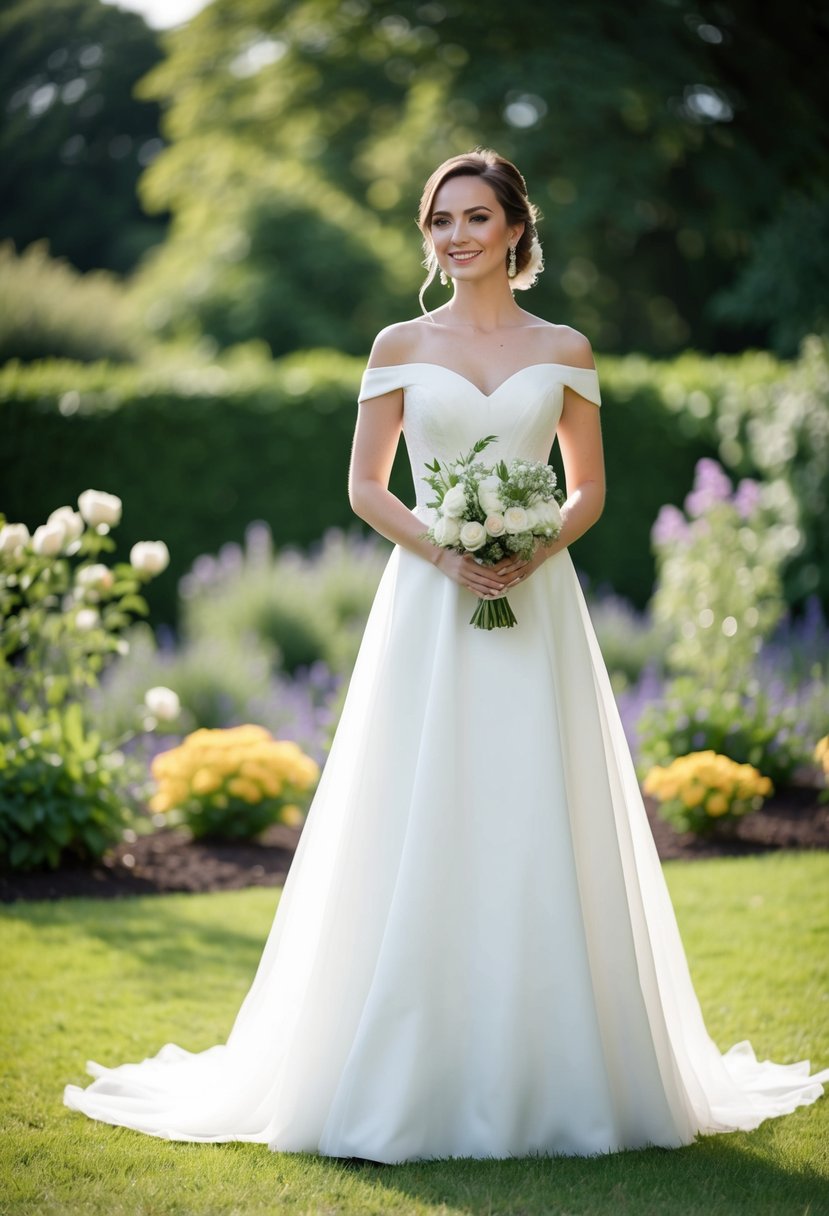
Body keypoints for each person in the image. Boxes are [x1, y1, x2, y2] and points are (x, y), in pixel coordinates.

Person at [64, 149, 828, 1162]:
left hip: (535, 603)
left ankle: (562, 1068)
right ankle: (398, 1063)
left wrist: (527, 547)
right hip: (428, 602)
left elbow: (588, 486)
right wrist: (449, 551)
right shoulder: (396, 342)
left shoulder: (566, 346)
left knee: (533, 807)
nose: (456, 236)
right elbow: (366, 486)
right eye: (440, 221)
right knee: (417, 802)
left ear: (516, 227)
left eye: (475, 217)